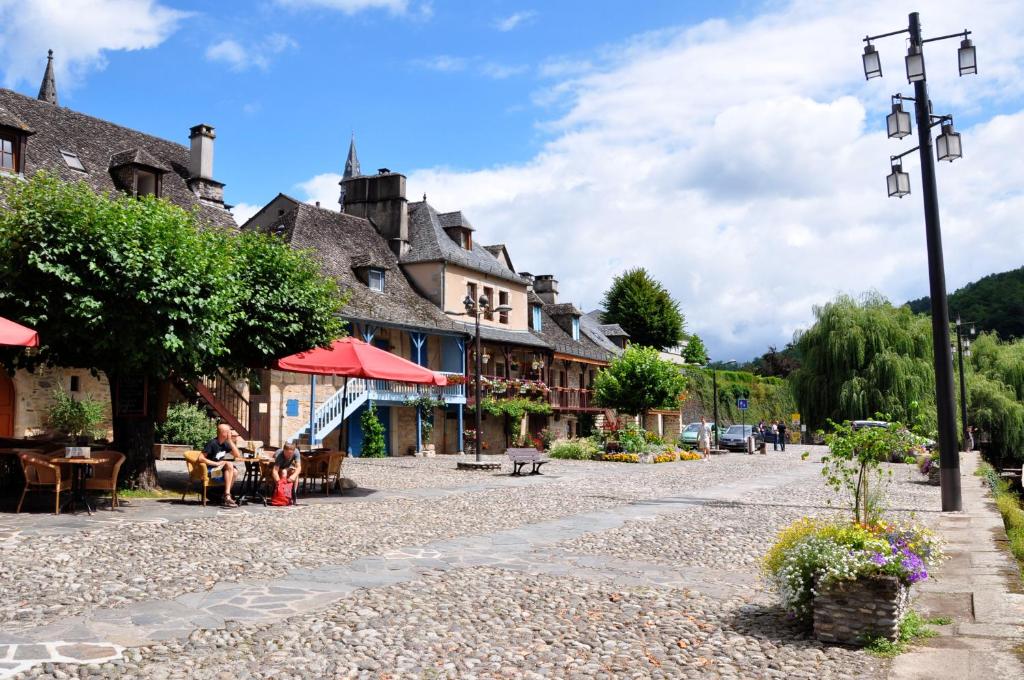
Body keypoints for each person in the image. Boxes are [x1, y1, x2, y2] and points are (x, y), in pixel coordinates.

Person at [199, 423, 243, 507]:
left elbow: (237, 455)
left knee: (235, 471)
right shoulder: (212, 443)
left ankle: (226, 496)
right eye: (229, 432)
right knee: (229, 464)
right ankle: (227, 495)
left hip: (218, 471)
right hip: (210, 473)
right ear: (223, 433)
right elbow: (201, 458)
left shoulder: (225, 444)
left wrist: (230, 441)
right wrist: (217, 463)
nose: (231, 433)